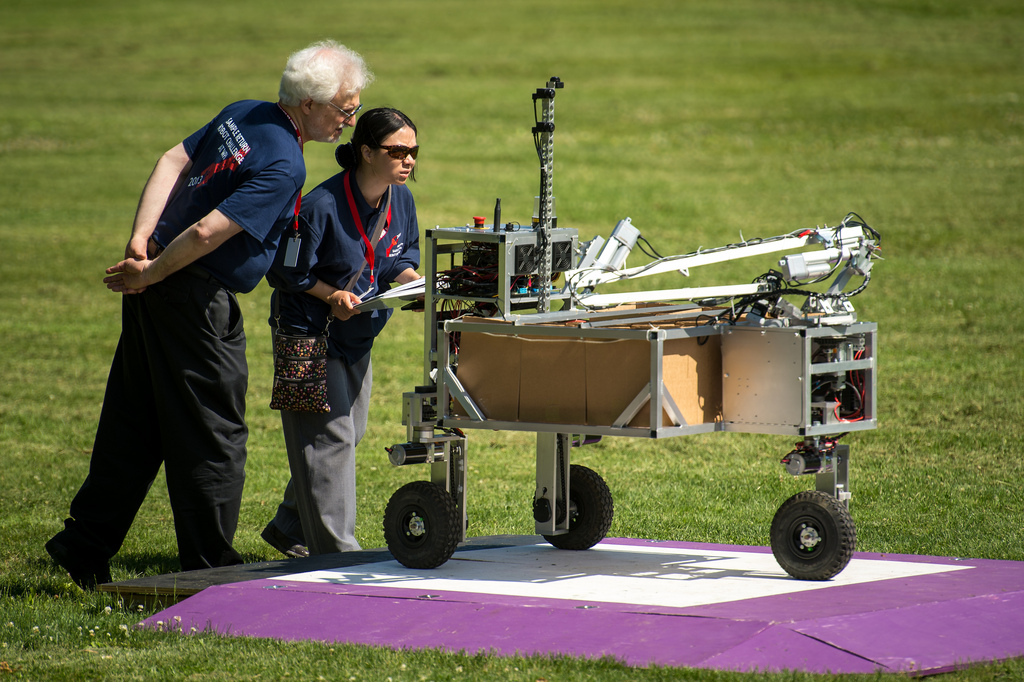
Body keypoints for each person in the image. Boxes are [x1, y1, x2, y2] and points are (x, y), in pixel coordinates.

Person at [45, 40, 374, 590]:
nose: (349, 121)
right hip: (194, 296)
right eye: (345, 109)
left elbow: (172, 159)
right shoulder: (286, 164)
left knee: (139, 419)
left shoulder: (243, 112)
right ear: (312, 104)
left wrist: (142, 241)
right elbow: (206, 233)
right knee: (215, 431)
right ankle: (208, 567)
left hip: (161, 278)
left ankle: (85, 543)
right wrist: (152, 270)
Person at [260, 108, 422, 557]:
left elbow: (397, 256)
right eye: (397, 151)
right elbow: (286, 272)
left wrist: (415, 283)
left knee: (350, 431)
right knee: (331, 440)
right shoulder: (318, 206)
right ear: (366, 152)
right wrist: (331, 295)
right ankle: (337, 553)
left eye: (413, 152)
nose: (408, 160)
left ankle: (290, 526)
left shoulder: (399, 198)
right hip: (310, 334)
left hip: (358, 332)